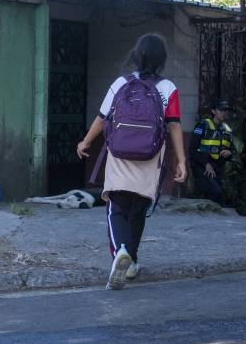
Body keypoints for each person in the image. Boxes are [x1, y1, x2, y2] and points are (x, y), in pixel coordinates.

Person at [76, 33, 187, 289]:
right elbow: (174, 126)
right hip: (151, 156)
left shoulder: (120, 83)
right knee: (138, 210)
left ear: (137, 56)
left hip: (120, 154)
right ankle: (132, 261)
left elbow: (103, 118)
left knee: (116, 207)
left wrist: (85, 142)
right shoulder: (168, 88)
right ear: (162, 60)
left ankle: (121, 252)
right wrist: (181, 160)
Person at [189, 100, 234, 205]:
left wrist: (229, 153)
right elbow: (192, 150)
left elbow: (233, 150)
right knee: (214, 192)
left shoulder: (227, 130)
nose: (224, 113)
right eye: (221, 110)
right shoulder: (203, 126)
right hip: (202, 166)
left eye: (226, 110)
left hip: (217, 167)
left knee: (223, 196)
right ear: (213, 111)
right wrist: (206, 164)